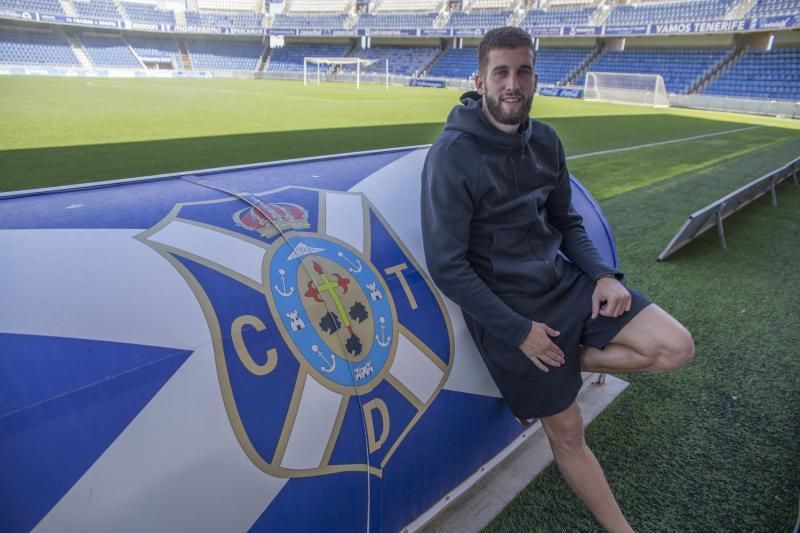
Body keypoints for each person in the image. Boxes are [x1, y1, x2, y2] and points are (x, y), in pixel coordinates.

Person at [420, 26, 694, 532]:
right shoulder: (452, 156)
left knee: (676, 347)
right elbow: (447, 265)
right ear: (479, 81)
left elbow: (567, 222)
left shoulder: (546, 141)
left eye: (523, 71)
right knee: (568, 434)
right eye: (501, 72)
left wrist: (603, 275)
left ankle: (566, 362)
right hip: (510, 311)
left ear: (535, 79)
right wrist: (517, 332)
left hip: (564, 284)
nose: (512, 84)